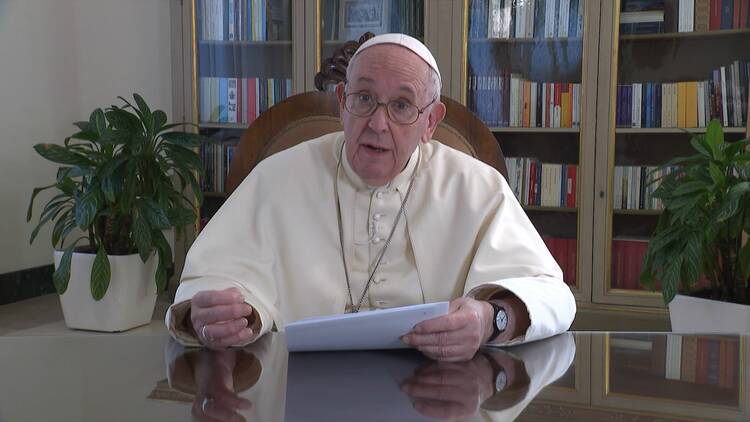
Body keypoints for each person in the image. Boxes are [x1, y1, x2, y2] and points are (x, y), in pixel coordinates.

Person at [166, 33, 576, 362]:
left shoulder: (476, 187)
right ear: (342, 103)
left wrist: (491, 317)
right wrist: (227, 314)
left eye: (401, 105)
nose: (378, 124)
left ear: (430, 121)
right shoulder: (276, 178)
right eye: (364, 99)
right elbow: (214, 280)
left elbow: (548, 292)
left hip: (436, 393)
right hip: (300, 386)